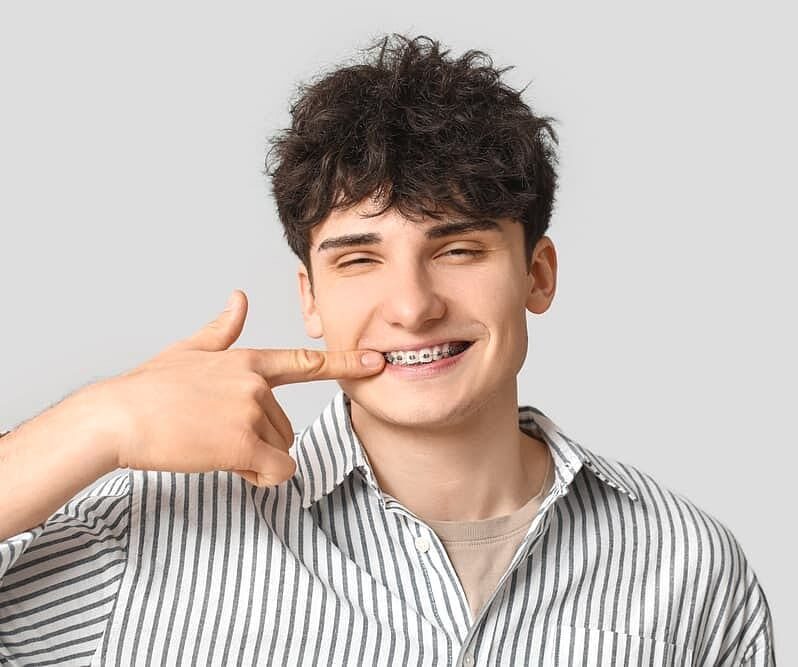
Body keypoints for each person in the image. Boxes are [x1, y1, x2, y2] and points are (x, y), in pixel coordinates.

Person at [0, 34, 775, 665]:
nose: (412, 306)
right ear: (308, 296)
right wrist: (98, 421)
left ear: (536, 275)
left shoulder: (689, 566)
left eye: (459, 249)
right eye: (359, 259)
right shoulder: (134, 546)